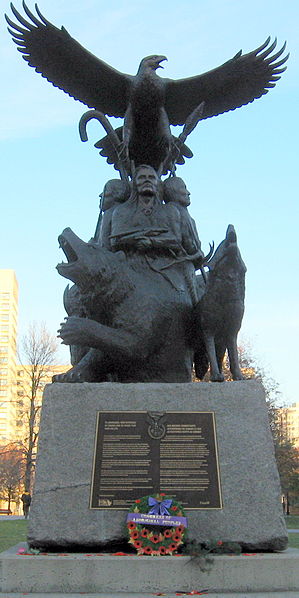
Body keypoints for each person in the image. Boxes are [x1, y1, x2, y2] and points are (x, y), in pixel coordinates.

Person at [163, 176, 203, 266]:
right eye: (183, 188)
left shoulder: (191, 220)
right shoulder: (171, 210)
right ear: (172, 192)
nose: (188, 193)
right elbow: (175, 240)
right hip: (177, 265)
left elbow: (197, 248)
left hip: (190, 264)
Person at [93, 179, 131, 248]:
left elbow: (106, 245)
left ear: (117, 194)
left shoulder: (113, 213)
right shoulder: (107, 215)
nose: (101, 196)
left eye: (106, 191)